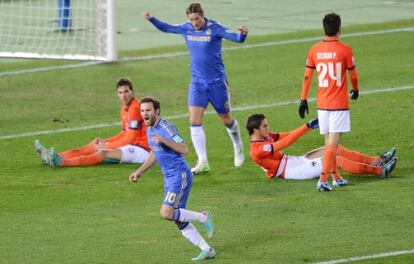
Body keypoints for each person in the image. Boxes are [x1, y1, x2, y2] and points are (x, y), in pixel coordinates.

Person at [141, 3, 249, 175]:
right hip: (197, 84)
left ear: (203, 15)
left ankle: (238, 145)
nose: (195, 23)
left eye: (197, 19)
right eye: (191, 19)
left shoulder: (215, 28)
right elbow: (167, 28)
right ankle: (203, 162)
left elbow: (235, 38)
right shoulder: (186, 28)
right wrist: (151, 19)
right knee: (194, 121)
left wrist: (243, 35)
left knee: (226, 120)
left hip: (217, 83)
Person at [129, 97, 216, 261]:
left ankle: (203, 217)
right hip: (169, 178)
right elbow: (154, 152)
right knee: (176, 218)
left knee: (166, 212)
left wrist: (164, 140)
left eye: (148, 110)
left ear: (157, 111)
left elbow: (184, 149)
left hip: (179, 175)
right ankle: (207, 250)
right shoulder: (148, 128)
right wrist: (139, 171)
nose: (144, 114)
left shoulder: (167, 129)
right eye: (142, 111)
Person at [246, 114, 397, 187]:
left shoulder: (265, 137)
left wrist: (307, 127)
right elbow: (287, 141)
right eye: (265, 126)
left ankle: (377, 161)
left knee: (335, 149)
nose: (268, 128)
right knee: (334, 160)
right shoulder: (257, 150)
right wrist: (307, 126)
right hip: (291, 171)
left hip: (293, 161)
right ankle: (380, 171)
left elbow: (287, 135)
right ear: (255, 130)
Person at [298, 12, 360, 191]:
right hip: (339, 103)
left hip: (322, 103)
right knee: (333, 143)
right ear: (339, 29)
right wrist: (355, 89)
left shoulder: (314, 50)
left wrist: (303, 99)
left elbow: (307, 76)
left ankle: (336, 176)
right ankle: (323, 179)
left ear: (324, 28)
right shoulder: (345, 49)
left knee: (328, 142)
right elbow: (353, 75)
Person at [34, 78, 150, 167]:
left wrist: (107, 146)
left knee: (102, 153)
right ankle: (52, 156)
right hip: (132, 145)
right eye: (120, 92)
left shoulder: (135, 107)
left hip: (143, 151)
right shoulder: (124, 109)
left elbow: (130, 138)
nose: (123, 96)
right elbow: (124, 133)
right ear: (116, 93)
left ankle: (62, 162)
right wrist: (105, 141)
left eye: (126, 92)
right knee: (94, 145)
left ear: (132, 92)